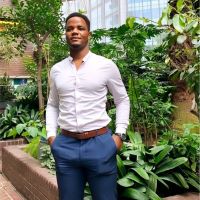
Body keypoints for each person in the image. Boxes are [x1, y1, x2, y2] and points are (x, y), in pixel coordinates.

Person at [46, 12, 130, 200]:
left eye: (80, 28)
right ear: (66, 34)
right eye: (70, 28)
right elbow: (52, 105)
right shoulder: (57, 70)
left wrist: (120, 135)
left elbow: (122, 99)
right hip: (66, 145)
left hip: (100, 144)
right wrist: (51, 136)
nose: (74, 31)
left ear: (88, 34)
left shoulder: (106, 65)